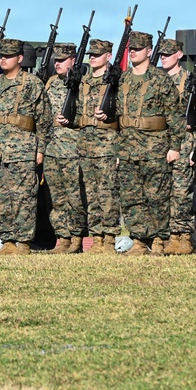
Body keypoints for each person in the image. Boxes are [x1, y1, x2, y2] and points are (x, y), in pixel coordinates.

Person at [112, 31, 183, 256]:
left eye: (138, 49)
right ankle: (140, 240)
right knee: (132, 198)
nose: (133, 52)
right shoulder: (122, 79)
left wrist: (175, 147)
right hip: (127, 148)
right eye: (131, 49)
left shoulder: (160, 79)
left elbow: (175, 115)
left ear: (149, 52)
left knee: (157, 197)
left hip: (155, 147)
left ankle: (159, 240)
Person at [0, 38, 52, 255]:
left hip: (23, 150)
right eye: (1, 56)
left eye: (9, 56)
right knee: (1, 198)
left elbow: (44, 119)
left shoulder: (31, 83)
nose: (4, 59)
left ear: (19, 58)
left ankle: (23, 242)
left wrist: (41, 149)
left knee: (24, 197)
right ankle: (8, 240)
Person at [74, 39, 121, 254]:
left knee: (108, 193)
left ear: (108, 57)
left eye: (97, 54)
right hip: (86, 145)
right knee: (91, 194)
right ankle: (97, 238)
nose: (92, 57)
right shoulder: (83, 82)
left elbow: (124, 111)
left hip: (108, 144)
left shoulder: (115, 81)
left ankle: (110, 239)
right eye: (90, 54)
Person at [43, 42, 85, 254]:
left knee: (74, 196)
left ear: (73, 60)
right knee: (56, 197)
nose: (57, 63)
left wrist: (73, 119)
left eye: (61, 60)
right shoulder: (50, 83)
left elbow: (89, 115)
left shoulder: (82, 84)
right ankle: (63, 237)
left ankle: (77, 238)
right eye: (55, 60)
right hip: (52, 149)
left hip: (72, 148)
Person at [158, 37, 195, 255]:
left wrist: (193, 148)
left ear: (179, 55)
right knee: (161, 191)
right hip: (159, 141)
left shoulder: (189, 81)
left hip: (183, 141)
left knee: (181, 192)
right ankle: (166, 236)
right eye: (161, 54)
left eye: (168, 54)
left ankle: (183, 237)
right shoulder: (156, 80)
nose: (163, 57)